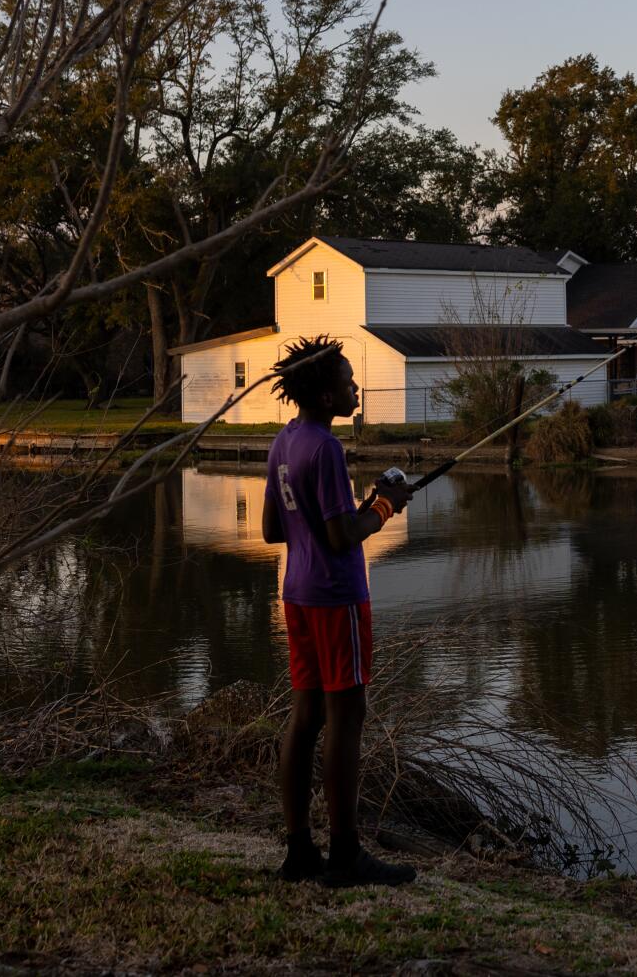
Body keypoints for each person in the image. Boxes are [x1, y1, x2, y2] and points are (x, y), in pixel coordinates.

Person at [262, 334, 415, 886]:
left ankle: (299, 850)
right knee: (346, 720)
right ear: (327, 396)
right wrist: (383, 506)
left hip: (296, 595)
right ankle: (346, 854)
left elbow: (271, 529)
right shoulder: (325, 448)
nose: (356, 387)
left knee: (305, 720)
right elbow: (341, 535)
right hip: (337, 598)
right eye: (348, 381)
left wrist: (353, 508)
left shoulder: (284, 442)